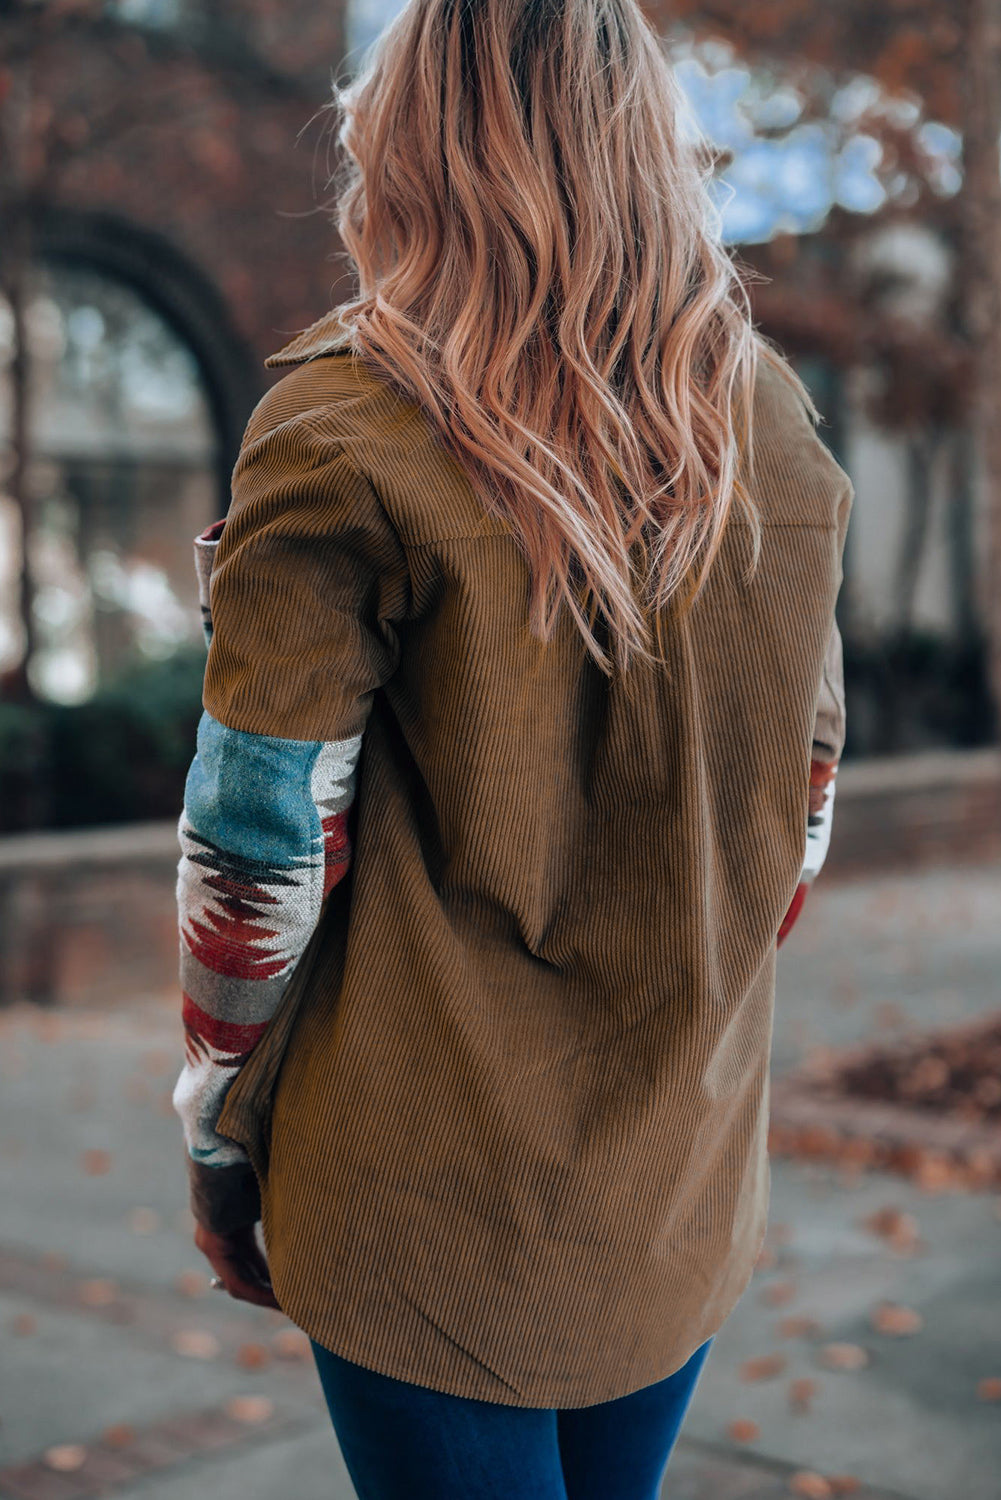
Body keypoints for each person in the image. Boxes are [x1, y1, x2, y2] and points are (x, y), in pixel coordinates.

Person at [169, 0, 852, 1495]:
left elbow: (256, 848)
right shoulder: (766, 424)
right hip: (671, 1175)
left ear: (414, 143)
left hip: (419, 1181)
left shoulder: (344, 420)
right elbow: (797, 814)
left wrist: (221, 1126)